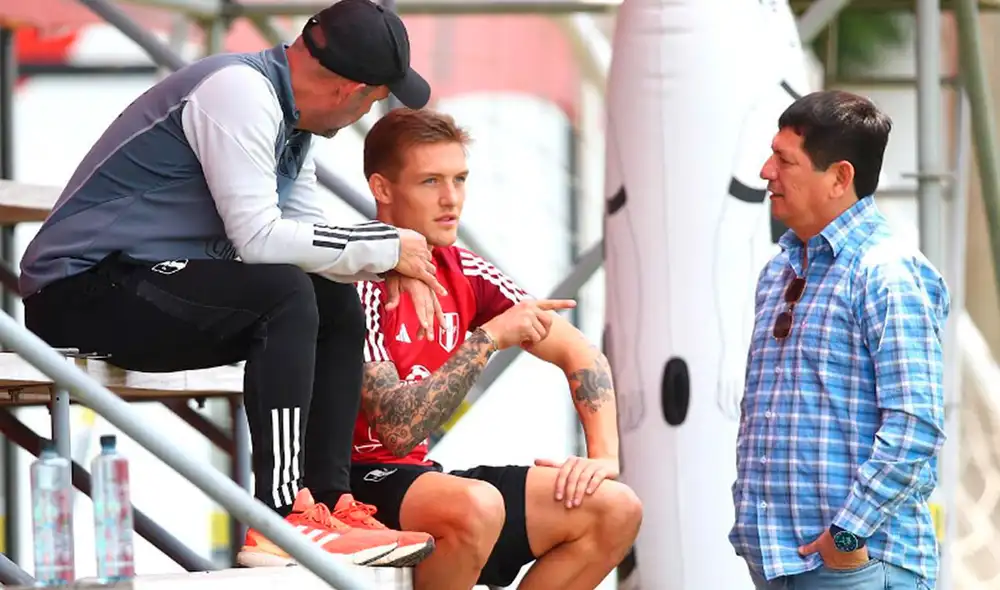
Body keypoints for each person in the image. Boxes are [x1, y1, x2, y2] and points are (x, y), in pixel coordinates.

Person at [19, 0, 446, 569]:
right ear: (351, 90)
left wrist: (377, 258)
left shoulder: (291, 121)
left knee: (331, 297)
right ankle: (279, 518)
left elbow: (306, 240)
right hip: (79, 289)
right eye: (375, 100)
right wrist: (387, 247)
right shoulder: (238, 92)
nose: (367, 113)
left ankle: (327, 502)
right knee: (285, 295)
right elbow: (260, 240)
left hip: (146, 280)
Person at [346, 108, 644, 590]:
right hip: (349, 488)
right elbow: (396, 431)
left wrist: (603, 458)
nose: (452, 199)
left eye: (460, 179)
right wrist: (489, 339)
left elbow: (581, 354)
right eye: (430, 182)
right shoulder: (354, 274)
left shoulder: (464, 269)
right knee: (477, 504)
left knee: (615, 508)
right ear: (382, 189)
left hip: (421, 479)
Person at [729, 89, 949, 590]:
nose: (766, 171)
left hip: (857, 569)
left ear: (840, 177)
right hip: (782, 566)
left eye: (784, 159)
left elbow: (916, 425)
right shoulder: (778, 271)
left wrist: (846, 539)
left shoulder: (887, 271)